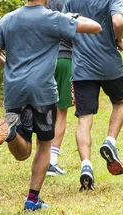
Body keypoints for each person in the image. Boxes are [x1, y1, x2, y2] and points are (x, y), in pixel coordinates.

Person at [0, 0, 101, 210]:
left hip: (15, 90)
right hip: (42, 91)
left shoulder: (8, 19)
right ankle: (32, 200)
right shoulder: (53, 18)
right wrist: (73, 17)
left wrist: (11, 68)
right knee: (44, 144)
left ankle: (11, 133)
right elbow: (96, 27)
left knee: (22, 152)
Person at [63, 0, 123, 191]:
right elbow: (118, 22)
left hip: (82, 67)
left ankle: (86, 165)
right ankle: (110, 142)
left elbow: (64, 24)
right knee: (120, 103)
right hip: (110, 65)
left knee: (84, 118)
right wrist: (120, 40)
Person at [44, 0, 74, 176]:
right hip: (65, 58)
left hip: (44, 59)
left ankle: (41, 156)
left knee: (44, 107)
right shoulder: (69, 2)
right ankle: (52, 162)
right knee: (61, 111)